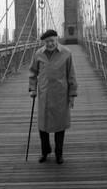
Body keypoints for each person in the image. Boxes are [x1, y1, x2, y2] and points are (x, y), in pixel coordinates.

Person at [28, 29, 78, 164]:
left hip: (61, 95)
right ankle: (45, 151)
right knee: (43, 126)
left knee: (59, 125)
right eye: (47, 41)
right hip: (44, 95)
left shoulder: (67, 53)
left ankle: (59, 153)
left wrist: (72, 94)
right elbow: (33, 72)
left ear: (57, 39)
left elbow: (71, 74)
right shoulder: (38, 54)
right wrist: (32, 89)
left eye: (52, 41)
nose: (50, 44)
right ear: (44, 42)